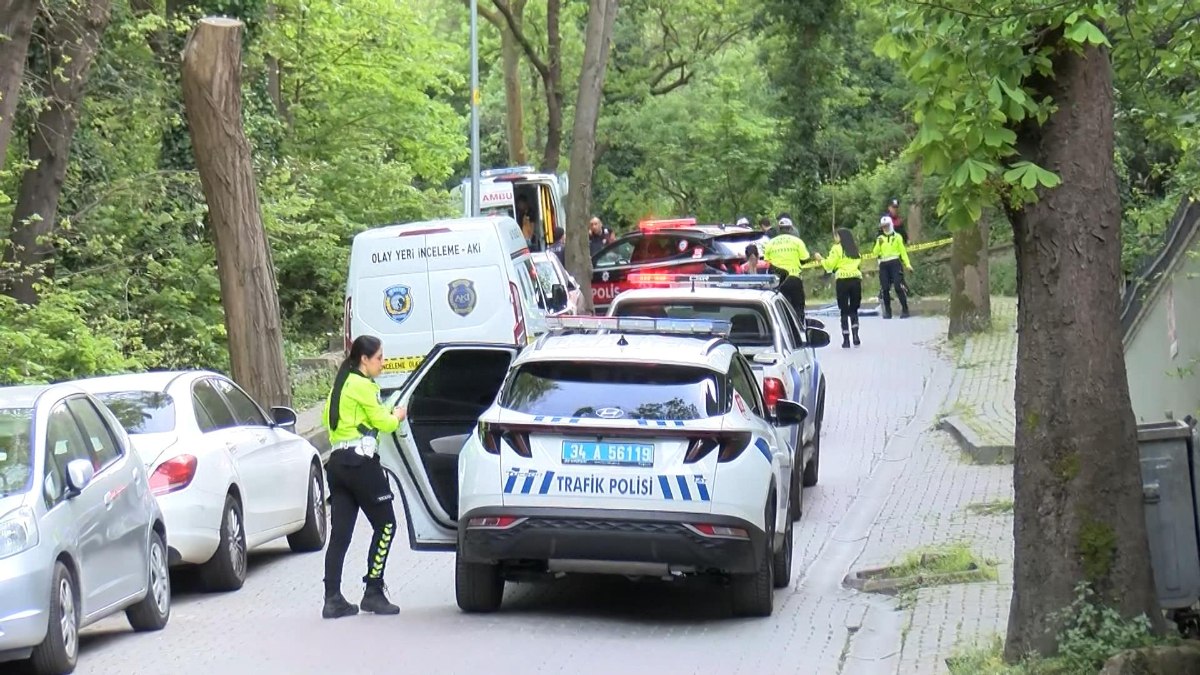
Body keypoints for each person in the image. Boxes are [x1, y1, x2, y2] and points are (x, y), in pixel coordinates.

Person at [321, 335, 407, 619]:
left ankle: (332, 598)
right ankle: (373, 590)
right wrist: (398, 415)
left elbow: (327, 422)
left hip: (337, 464)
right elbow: (383, 422)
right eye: (379, 358)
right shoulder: (363, 386)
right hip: (361, 464)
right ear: (364, 359)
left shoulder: (341, 384)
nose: (383, 363)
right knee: (386, 525)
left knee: (341, 535)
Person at [763, 214, 821, 321]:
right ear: (790, 228)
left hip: (778, 281)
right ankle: (800, 330)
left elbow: (766, 262)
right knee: (798, 308)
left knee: (780, 310)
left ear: (779, 229)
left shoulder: (770, 243)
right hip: (794, 278)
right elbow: (805, 259)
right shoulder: (797, 241)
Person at [822, 228, 863, 348]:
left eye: (836, 236)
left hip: (842, 281)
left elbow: (830, 265)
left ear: (840, 237)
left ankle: (846, 339)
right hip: (855, 280)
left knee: (844, 310)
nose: (835, 239)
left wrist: (821, 259)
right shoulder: (854, 249)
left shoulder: (836, 249)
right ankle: (856, 336)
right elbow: (859, 262)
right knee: (854, 310)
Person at [873, 216, 913, 319]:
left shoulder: (897, 237)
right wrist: (879, 244)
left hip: (895, 262)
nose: (885, 228)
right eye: (883, 227)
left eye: (886, 226)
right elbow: (875, 253)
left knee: (898, 286)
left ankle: (905, 309)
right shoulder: (880, 238)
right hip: (884, 264)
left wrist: (907, 264)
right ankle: (887, 311)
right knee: (885, 288)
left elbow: (903, 252)